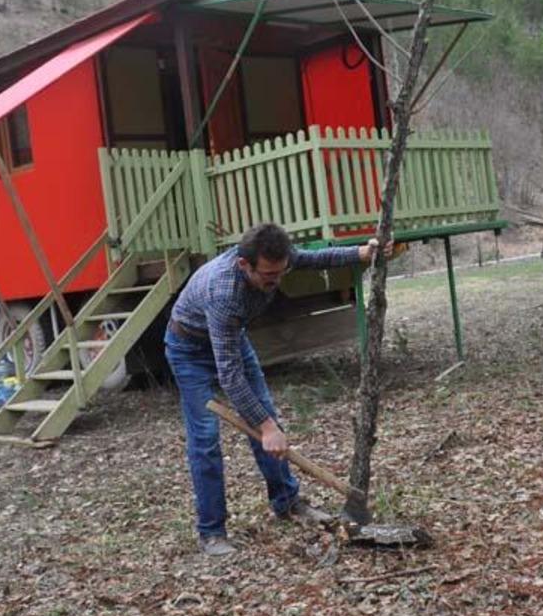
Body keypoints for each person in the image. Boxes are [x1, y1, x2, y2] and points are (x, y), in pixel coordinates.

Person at [165, 222, 388, 556]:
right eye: (269, 275)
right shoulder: (224, 292)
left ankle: (288, 503)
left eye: (281, 271)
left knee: (268, 421)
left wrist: (361, 253)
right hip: (189, 349)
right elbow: (230, 376)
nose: (276, 281)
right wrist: (265, 425)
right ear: (245, 265)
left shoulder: (274, 257)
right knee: (206, 439)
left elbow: (315, 260)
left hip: (232, 339)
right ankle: (212, 532)